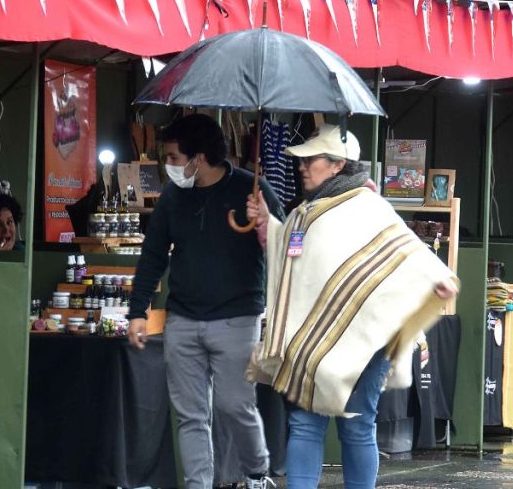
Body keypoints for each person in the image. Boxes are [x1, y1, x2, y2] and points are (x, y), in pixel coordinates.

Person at [245, 124, 458, 489]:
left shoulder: (371, 208)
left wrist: (432, 283)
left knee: (356, 425)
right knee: (306, 425)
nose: (302, 166)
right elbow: (291, 259)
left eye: (311, 160)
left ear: (337, 165)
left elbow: (407, 256)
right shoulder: (303, 214)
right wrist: (267, 221)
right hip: (313, 342)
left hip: (365, 344)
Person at [128, 113, 285, 489]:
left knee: (234, 405)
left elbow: (289, 245)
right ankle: (198, 484)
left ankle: (257, 472)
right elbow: (152, 255)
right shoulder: (171, 197)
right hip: (182, 319)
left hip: (237, 319)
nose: (168, 166)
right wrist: (138, 312)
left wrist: (265, 218)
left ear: (199, 158)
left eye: (173, 158)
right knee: (191, 415)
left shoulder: (254, 189)